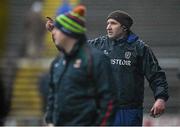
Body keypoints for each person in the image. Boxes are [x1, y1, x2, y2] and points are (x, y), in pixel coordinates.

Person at [46, 10, 169, 126]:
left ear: (124, 27)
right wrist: (56, 32)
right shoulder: (99, 44)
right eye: (107, 23)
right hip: (103, 109)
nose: (108, 27)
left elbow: (156, 75)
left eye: (113, 23)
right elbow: (75, 48)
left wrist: (160, 98)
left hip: (129, 111)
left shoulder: (140, 48)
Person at [45, 5, 115, 126]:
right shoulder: (58, 62)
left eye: (57, 29)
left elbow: (109, 101)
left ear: (68, 32)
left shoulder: (96, 59)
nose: (53, 31)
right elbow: (53, 94)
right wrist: (50, 121)